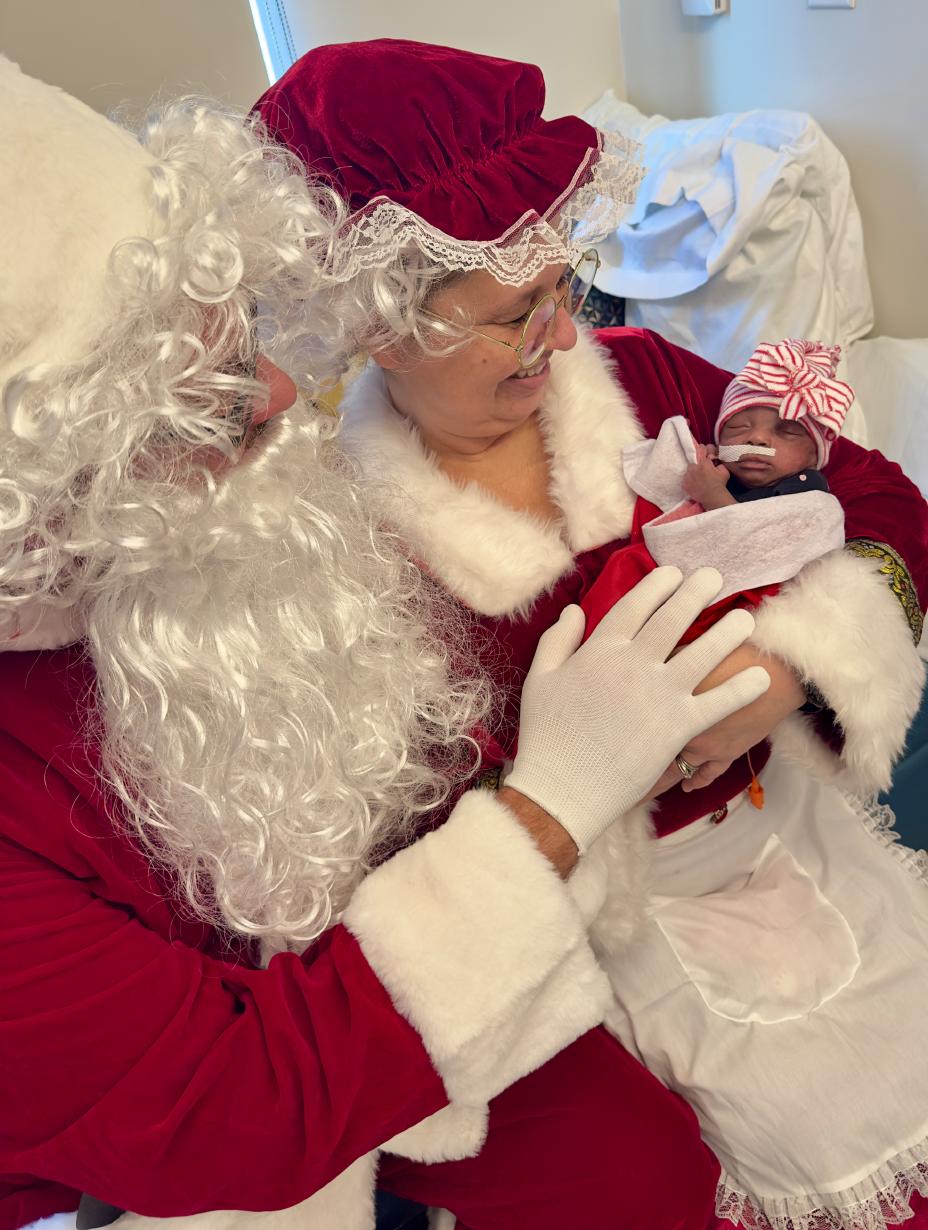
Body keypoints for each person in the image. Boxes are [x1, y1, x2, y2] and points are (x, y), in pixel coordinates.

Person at [0, 57, 773, 1230]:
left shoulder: (241, 519)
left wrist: (783, 655)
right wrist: (556, 800)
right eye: (203, 396)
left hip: (431, 927)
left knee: (651, 1167)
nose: (277, 396)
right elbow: (233, 1112)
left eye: (244, 339)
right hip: (248, 1097)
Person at [257, 38, 928, 1230]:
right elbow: (368, 841)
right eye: (516, 315)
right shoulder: (338, 550)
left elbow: (879, 500)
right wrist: (580, 773)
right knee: (787, 1145)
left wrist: (787, 665)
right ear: (379, 325)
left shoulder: (643, 378)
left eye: (564, 290)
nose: (562, 338)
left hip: (791, 836)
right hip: (611, 931)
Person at [580, 337, 854, 649]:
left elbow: (755, 540)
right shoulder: (723, 471)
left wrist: (712, 494)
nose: (757, 440)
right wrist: (699, 467)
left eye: (786, 431)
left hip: (740, 608)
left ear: (812, 457)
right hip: (673, 587)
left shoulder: (807, 491)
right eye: (738, 429)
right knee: (627, 565)